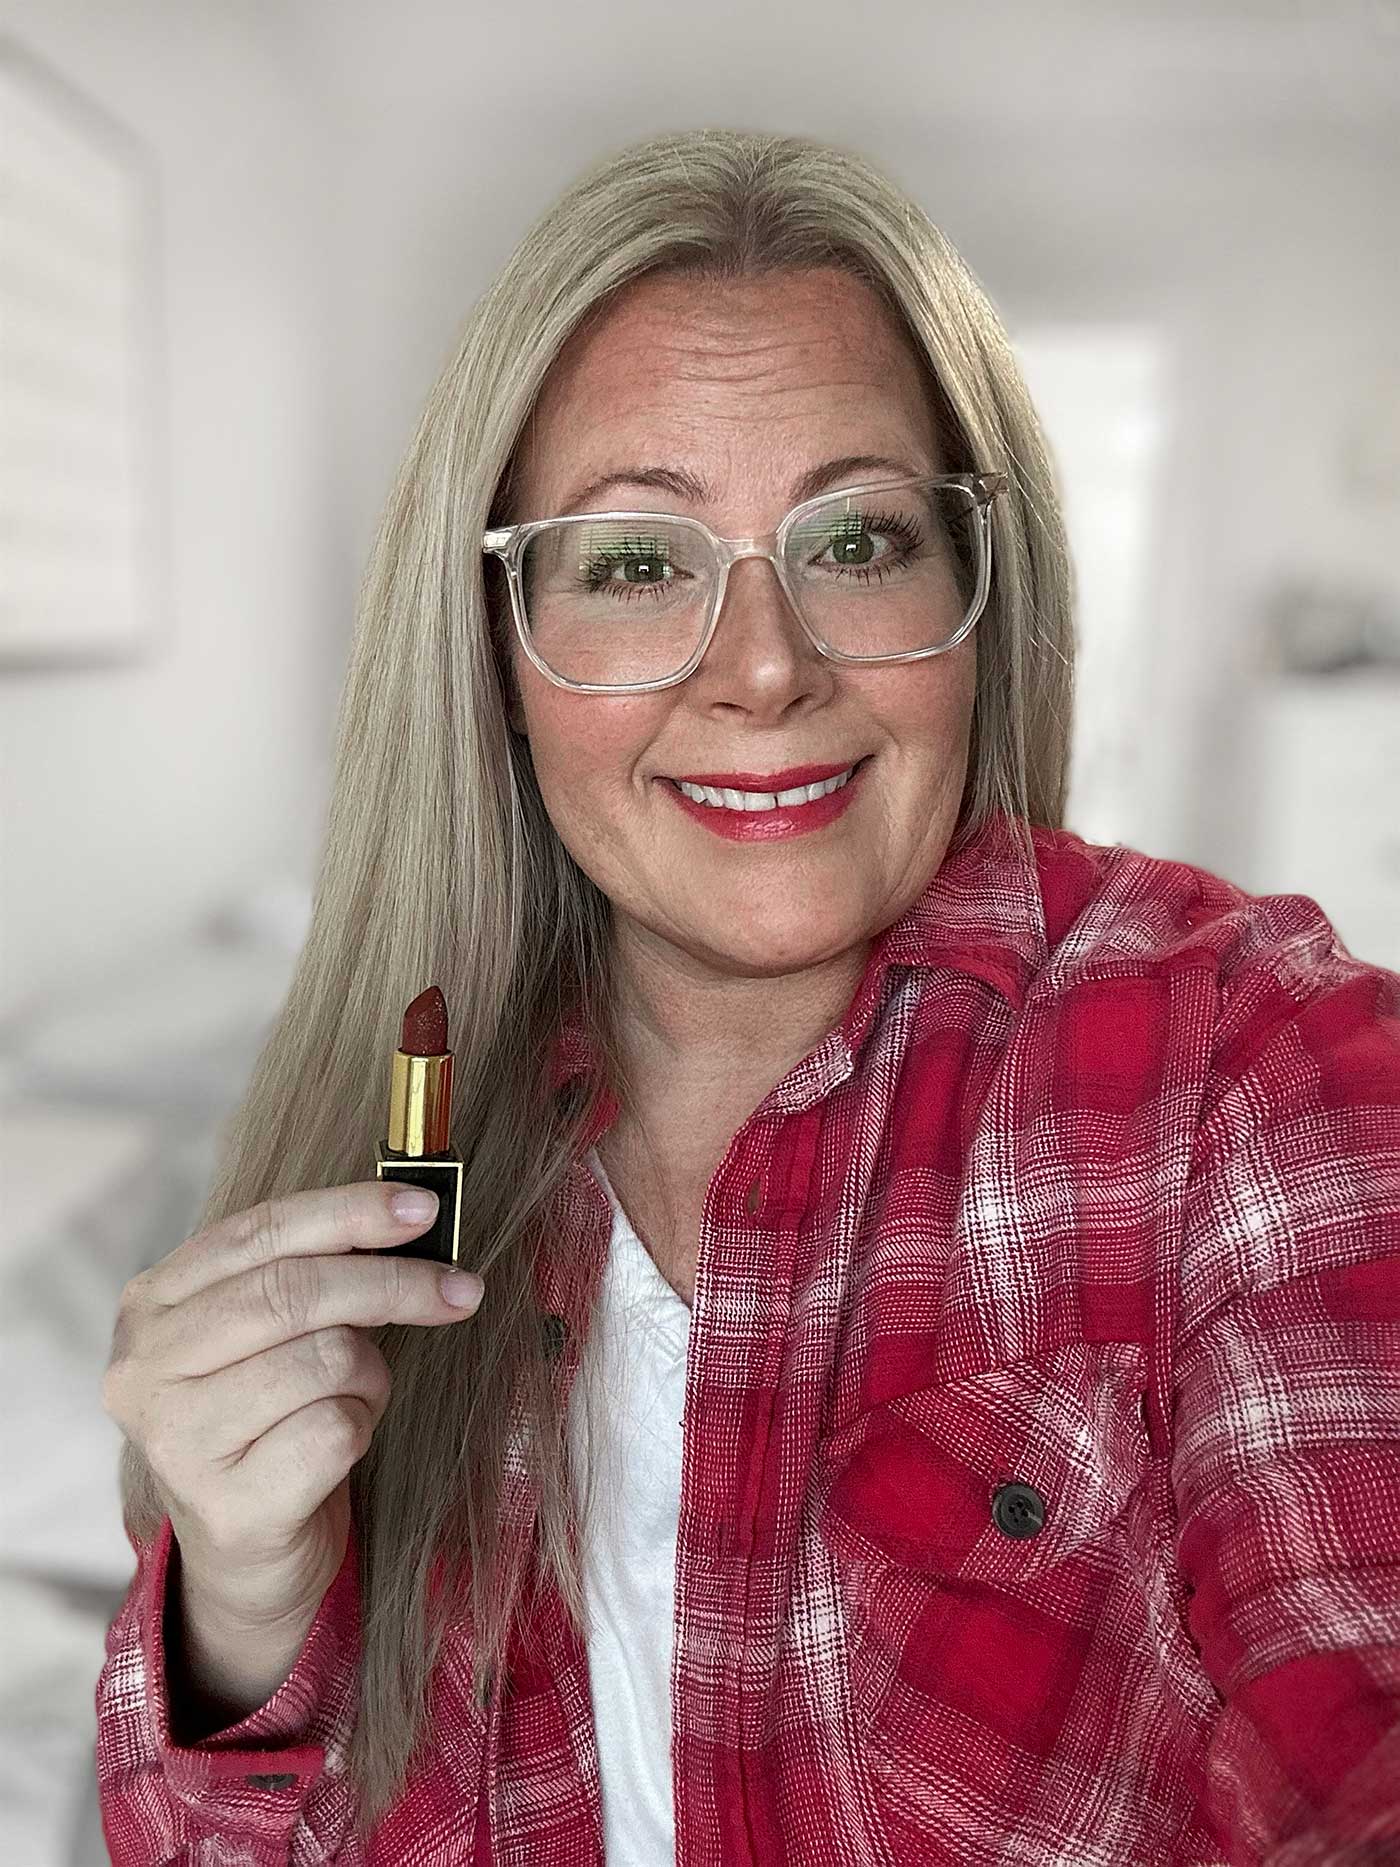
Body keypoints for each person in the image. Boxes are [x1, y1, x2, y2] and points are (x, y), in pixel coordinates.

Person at [95, 127, 1400, 1865]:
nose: (768, 667)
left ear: (980, 600)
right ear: (494, 648)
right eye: (636, 566)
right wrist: (245, 1617)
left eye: (857, 540)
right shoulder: (401, 1127)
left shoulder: (1253, 1068)